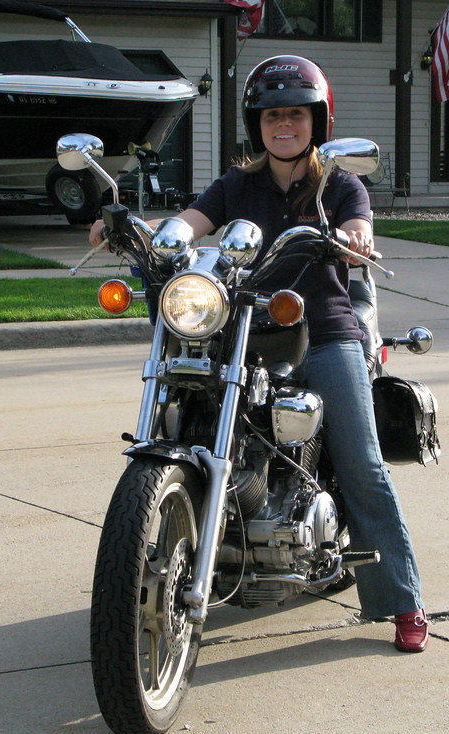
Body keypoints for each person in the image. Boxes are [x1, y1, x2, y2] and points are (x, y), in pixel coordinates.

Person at [89, 55, 429, 652]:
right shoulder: (237, 185)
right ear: (257, 124)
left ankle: (402, 601)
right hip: (243, 327)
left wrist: (354, 239)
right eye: (273, 116)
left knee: (361, 464)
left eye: (296, 115)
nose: (284, 126)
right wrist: (135, 231)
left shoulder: (339, 183)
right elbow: (189, 223)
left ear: (317, 121)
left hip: (323, 332)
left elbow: (360, 226)